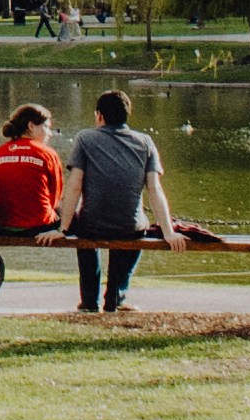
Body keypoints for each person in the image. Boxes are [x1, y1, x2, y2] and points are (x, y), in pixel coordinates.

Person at [67, 90, 174, 313]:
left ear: (99, 116)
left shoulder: (85, 138)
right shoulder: (145, 142)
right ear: (127, 115)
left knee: (83, 230)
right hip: (129, 227)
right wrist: (169, 231)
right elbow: (154, 189)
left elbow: (75, 185)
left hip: (92, 225)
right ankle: (116, 297)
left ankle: (89, 300)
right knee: (136, 225)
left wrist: (63, 227)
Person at [0, 103, 67, 238]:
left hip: (3, 227)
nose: (50, 134)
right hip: (40, 227)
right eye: (46, 127)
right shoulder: (47, 153)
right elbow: (55, 197)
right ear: (31, 126)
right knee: (77, 218)